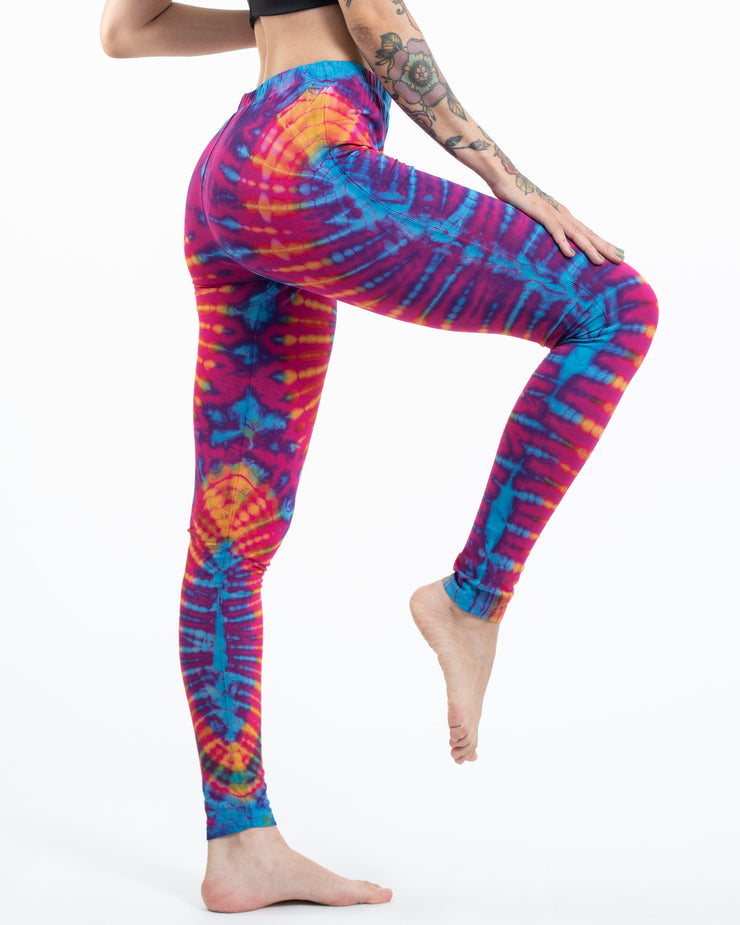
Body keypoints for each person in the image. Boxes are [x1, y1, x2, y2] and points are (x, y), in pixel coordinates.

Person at [100, 0, 658, 913]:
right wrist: (506, 176)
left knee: (232, 537)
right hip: (309, 155)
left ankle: (240, 845)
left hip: (231, 177)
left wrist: (268, 22)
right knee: (615, 307)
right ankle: (471, 598)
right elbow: (368, 12)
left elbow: (129, 29)